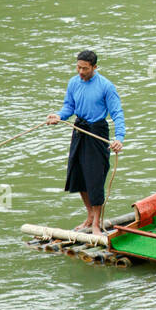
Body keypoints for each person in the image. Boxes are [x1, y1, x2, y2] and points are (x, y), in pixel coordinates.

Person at [46, 50, 125, 233]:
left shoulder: (106, 86)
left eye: (85, 68)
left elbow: (117, 113)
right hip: (79, 130)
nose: (81, 72)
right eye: (78, 67)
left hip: (96, 132)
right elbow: (69, 106)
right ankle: (89, 215)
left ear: (95, 67)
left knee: (95, 178)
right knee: (79, 175)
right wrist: (59, 116)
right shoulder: (74, 82)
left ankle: (97, 223)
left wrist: (119, 138)